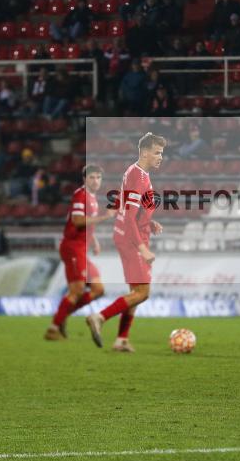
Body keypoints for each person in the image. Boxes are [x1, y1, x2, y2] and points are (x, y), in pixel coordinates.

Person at [86, 133, 166, 352]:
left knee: (135, 293)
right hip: (132, 239)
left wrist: (149, 222)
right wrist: (142, 249)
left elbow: (132, 210)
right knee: (142, 293)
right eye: (157, 153)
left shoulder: (138, 174)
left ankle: (121, 339)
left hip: (131, 233)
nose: (161, 157)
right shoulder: (138, 177)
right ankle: (99, 317)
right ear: (145, 152)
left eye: (162, 153)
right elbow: (130, 217)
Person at [44, 165, 116, 341]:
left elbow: (87, 224)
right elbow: (77, 221)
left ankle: (62, 317)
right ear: (84, 179)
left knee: (98, 289)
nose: (95, 181)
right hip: (72, 247)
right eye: (92, 177)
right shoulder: (81, 195)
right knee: (76, 290)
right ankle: (53, 329)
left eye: (98, 177)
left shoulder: (92, 198)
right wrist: (105, 217)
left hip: (81, 248)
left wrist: (94, 240)